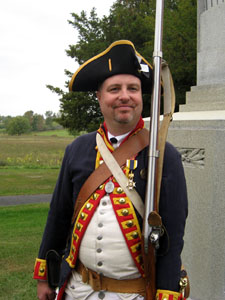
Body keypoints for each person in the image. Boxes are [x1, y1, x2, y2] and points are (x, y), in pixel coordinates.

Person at [33, 40, 188, 300]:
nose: (124, 96)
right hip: (78, 289)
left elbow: (173, 235)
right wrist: (45, 277)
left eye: (133, 88)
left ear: (142, 96)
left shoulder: (163, 154)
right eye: (114, 89)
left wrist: (167, 293)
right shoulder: (77, 149)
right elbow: (58, 216)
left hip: (136, 293)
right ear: (99, 97)